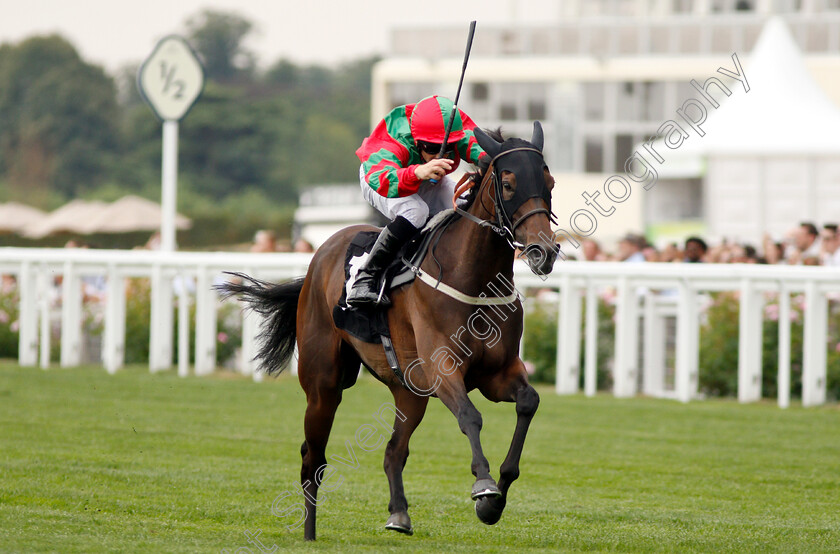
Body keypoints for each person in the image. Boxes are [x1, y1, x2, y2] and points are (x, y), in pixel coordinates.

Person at [347, 95, 487, 307]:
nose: (439, 154)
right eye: (431, 149)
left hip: (426, 178)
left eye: (449, 147)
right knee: (416, 210)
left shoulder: (453, 127)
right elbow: (381, 178)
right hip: (382, 179)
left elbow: (476, 146)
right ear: (416, 140)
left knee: (465, 206)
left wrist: (492, 159)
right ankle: (366, 277)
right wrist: (417, 172)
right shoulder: (393, 141)